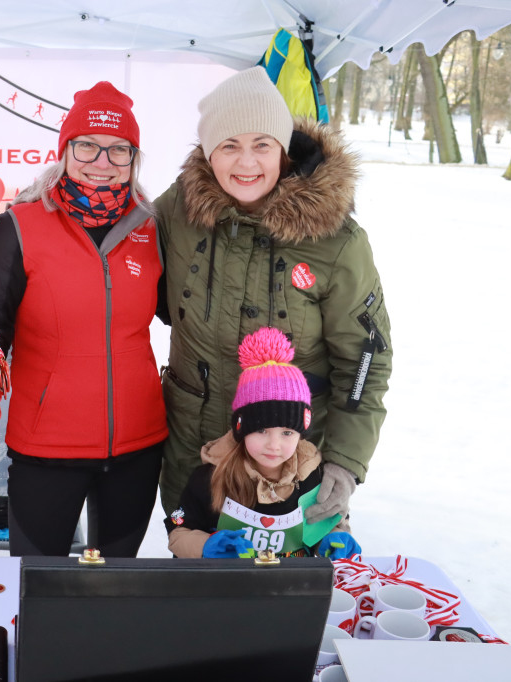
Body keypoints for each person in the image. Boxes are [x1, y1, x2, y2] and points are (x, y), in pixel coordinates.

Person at [155, 67, 392, 529]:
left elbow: (366, 360)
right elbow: (109, 241)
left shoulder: (336, 240)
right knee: (193, 587)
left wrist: (343, 462)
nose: (246, 163)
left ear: (284, 149)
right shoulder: (178, 210)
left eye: (262, 144)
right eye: (229, 145)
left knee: (286, 595)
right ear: (207, 152)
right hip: (197, 459)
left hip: (294, 471)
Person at [0, 81, 167, 557]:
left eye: (118, 151)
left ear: (135, 159)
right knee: (38, 586)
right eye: (87, 146)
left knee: (114, 586)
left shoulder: (152, 227)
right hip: (46, 447)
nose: (102, 162)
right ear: (65, 150)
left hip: (137, 442)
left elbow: (182, 311)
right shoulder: (19, 226)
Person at [165, 327, 360, 559]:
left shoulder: (314, 477)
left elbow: (332, 523)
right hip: (229, 589)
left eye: (287, 433)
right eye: (261, 430)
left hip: (293, 588)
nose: (274, 445)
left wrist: (335, 538)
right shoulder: (210, 478)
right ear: (241, 429)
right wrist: (205, 545)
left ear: (301, 433)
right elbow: (178, 530)